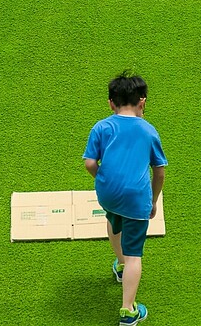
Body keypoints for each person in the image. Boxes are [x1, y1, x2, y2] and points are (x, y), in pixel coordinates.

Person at [83, 71, 167, 326]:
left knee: (114, 221)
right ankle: (128, 310)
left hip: (108, 195)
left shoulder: (101, 127)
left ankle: (120, 266)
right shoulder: (148, 130)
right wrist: (152, 201)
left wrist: (103, 179)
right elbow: (159, 171)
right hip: (135, 199)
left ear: (111, 103)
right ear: (142, 101)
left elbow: (89, 163)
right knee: (135, 255)